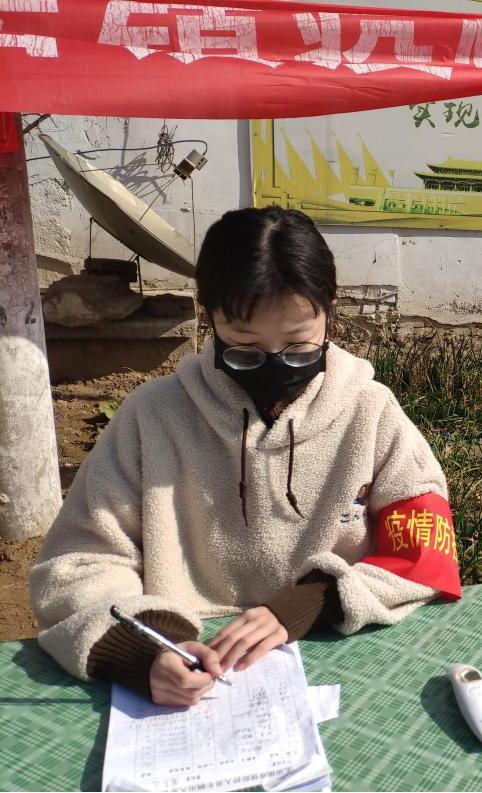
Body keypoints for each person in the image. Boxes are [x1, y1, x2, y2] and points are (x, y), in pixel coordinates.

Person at [31, 206, 460, 706]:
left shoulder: (370, 409)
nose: (275, 366)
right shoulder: (153, 416)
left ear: (330, 308)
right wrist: (141, 648)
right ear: (209, 313)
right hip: (189, 674)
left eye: (300, 347)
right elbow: (76, 564)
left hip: (342, 654)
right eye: (243, 348)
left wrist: (313, 601)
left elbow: (425, 546)